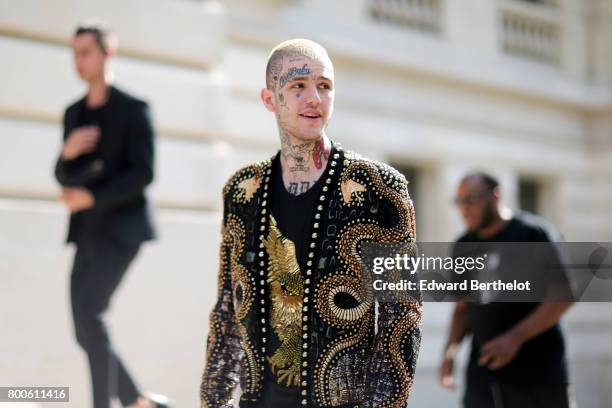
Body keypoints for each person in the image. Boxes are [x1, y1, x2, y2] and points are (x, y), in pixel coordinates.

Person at [199, 39, 422, 408]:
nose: (314, 98)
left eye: (324, 85)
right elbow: (226, 314)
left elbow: (402, 317)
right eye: (298, 86)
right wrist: (213, 401)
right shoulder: (242, 191)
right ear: (270, 99)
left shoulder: (378, 188)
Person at [54, 22, 169, 408]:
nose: (78, 60)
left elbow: (144, 173)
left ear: (107, 53)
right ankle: (139, 402)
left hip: (122, 231)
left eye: (86, 51)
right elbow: (64, 175)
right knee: (85, 328)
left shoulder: (134, 110)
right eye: (75, 52)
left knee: (91, 316)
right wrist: (66, 154)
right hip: (85, 231)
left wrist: (91, 197)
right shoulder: (73, 113)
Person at [438, 172, 575, 408]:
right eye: (460, 201)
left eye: (472, 198)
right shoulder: (463, 245)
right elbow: (463, 308)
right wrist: (449, 353)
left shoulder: (533, 233)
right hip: (483, 375)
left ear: (495, 196)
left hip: (538, 375)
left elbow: (564, 294)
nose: (465, 208)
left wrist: (514, 338)